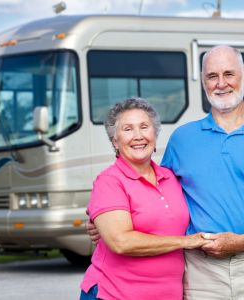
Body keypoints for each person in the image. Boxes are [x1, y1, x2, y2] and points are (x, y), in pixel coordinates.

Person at [87, 45, 244, 299]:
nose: (221, 83)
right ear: (203, 82)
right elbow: (150, 190)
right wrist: (102, 219)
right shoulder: (183, 139)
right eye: (212, 76)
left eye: (228, 74)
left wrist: (241, 242)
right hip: (201, 273)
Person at [80, 98, 210, 300]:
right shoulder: (109, 182)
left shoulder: (171, 178)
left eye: (144, 127)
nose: (138, 136)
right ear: (115, 140)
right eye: (128, 129)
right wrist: (186, 241)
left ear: (155, 134)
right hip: (113, 294)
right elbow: (121, 242)